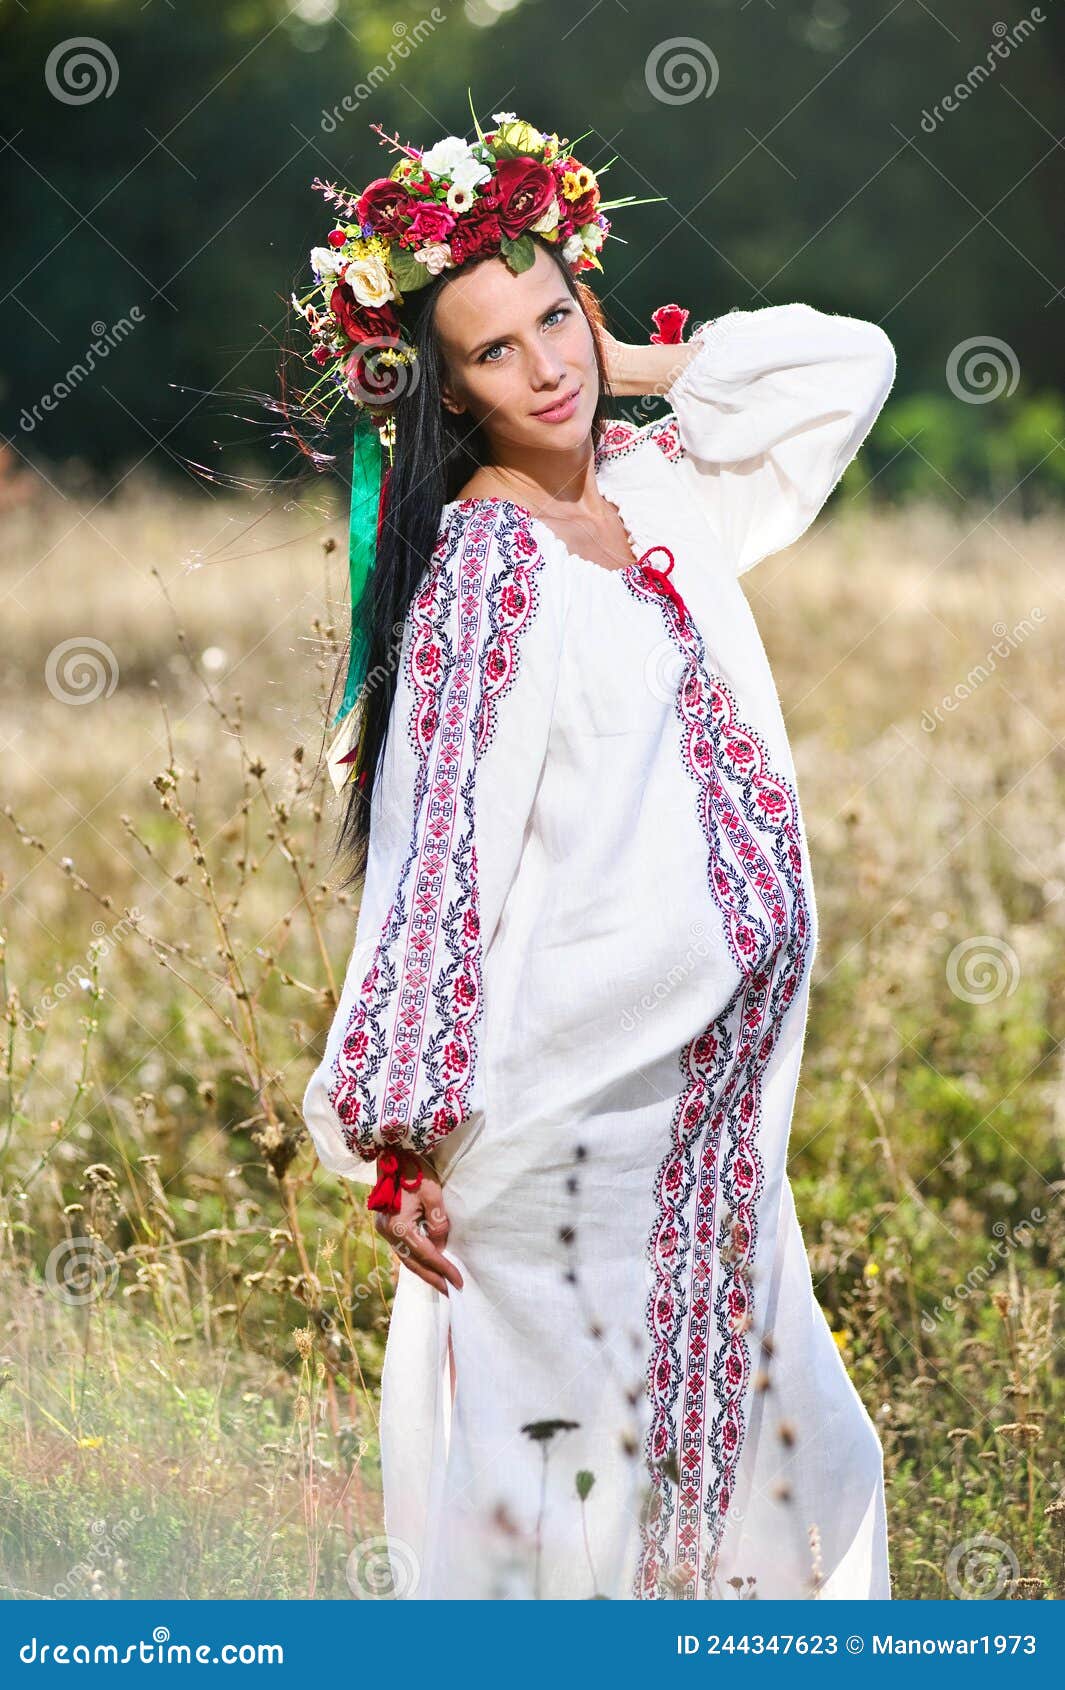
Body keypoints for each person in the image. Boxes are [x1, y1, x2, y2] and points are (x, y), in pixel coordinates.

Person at [298, 111, 897, 1601]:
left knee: (787, 1469)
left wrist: (630, 366)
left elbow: (853, 364)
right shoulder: (485, 580)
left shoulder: (664, 487)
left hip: (711, 1125)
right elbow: (438, 862)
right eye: (495, 352)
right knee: (574, 1506)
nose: (545, 366)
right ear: (446, 390)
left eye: (554, 317)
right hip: (572, 1129)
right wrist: (400, 1129)